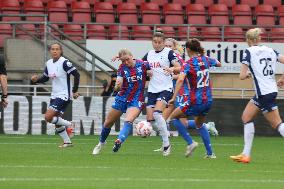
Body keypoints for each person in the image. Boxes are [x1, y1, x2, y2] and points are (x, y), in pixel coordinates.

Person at [230, 28, 284, 163]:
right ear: (259, 39)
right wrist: (283, 78)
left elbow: (241, 75)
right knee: (246, 117)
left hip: (264, 93)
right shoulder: (270, 50)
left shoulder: (248, 52)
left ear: (248, 40)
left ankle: (245, 155)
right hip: (268, 91)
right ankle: (245, 154)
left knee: (277, 124)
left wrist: (248, 74)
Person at [168, 38, 221, 158]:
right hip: (208, 100)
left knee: (174, 117)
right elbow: (218, 63)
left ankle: (190, 143)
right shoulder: (206, 59)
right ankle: (210, 153)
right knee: (199, 124)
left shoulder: (188, 64)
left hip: (195, 100)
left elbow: (181, 79)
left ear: (188, 49)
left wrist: (174, 97)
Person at [92, 49, 150, 155]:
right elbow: (117, 86)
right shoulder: (122, 68)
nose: (126, 63)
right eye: (123, 61)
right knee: (108, 123)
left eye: (127, 60)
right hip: (122, 98)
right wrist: (117, 86)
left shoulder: (143, 64)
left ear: (132, 56)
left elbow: (154, 70)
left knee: (129, 120)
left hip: (137, 99)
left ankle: (119, 141)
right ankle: (101, 143)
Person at [31, 43, 80, 148]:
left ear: (61, 51)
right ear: (50, 51)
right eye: (53, 49)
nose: (55, 51)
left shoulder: (64, 62)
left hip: (64, 95)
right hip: (54, 95)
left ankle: (70, 124)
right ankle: (67, 142)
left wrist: (74, 90)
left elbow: (77, 74)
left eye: (57, 49)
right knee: (57, 120)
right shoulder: (49, 63)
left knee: (48, 117)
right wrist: (36, 80)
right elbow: (45, 78)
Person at [142, 32, 181, 156]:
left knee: (158, 114)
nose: (157, 44)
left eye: (159, 42)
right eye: (155, 42)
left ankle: (166, 145)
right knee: (151, 121)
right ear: (152, 42)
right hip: (152, 90)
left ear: (163, 43)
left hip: (166, 88)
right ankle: (165, 138)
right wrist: (147, 71)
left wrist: (172, 69)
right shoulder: (148, 54)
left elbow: (179, 67)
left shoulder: (169, 53)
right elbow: (140, 66)